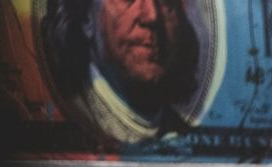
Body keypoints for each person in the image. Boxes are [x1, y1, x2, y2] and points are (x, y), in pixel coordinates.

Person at [39, 0, 222, 147]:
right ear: (86, 16)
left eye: (167, 2)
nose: (152, 15)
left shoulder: (180, 131)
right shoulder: (74, 114)